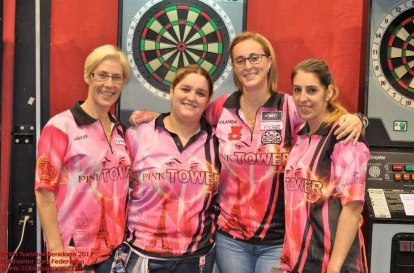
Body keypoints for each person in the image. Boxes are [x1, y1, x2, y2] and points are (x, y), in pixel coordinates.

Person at [129, 31, 365, 273]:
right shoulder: (221, 108)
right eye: (240, 60)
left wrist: (357, 120)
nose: (248, 66)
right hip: (230, 239)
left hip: (278, 239)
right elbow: (188, 113)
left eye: (255, 58)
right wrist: (155, 117)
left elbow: (323, 115)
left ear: (268, 61)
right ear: (233, 67)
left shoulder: (290, 106)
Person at [35, 44, 132, 272]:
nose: (109, 84)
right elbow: (43, 190)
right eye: (102, 75)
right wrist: (57, 250)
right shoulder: (60, 126)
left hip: (114, 252)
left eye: (117, 78)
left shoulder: (119, 129)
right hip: (73, 253)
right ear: (88, 77)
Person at [119, 65, 220, 273]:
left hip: (197, 258)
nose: (192, 97)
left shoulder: (218, 141)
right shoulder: (137, 135)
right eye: (185, 89)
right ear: (172, 90)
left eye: (200, 93)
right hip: (142, 254)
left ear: (207, 101)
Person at [280, 59, 369, 273]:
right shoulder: (301, 134)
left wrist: (334, 267)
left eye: (312, 90)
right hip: (300, 261)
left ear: (328, 92)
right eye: (297, 90)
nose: (303, 98)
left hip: (334, 263)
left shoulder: (343, 137)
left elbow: (353, 207)